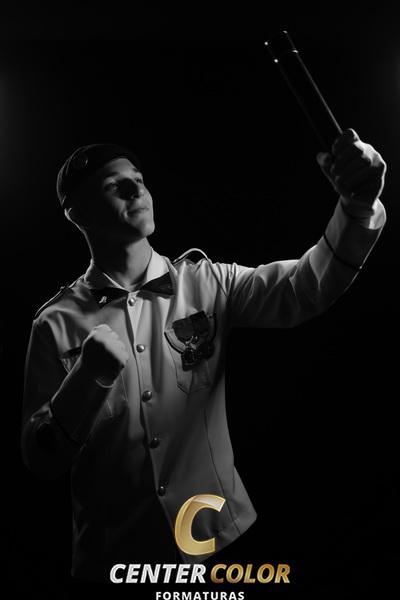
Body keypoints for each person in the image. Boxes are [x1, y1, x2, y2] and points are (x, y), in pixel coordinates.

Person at [21, 129, 386, 586]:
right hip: (116, 561)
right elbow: (41, 459)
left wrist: (357, 207)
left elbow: (305, 287)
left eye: (139, 180)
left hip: (220, 545)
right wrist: (86, 379)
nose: (136, 190)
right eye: (115, 186)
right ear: (78, 213)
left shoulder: (209, 282)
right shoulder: (53, 324)